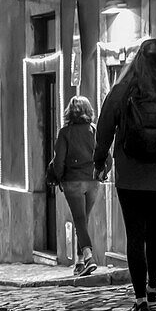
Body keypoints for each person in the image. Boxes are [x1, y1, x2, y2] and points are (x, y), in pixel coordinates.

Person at [94, 38, 156, 311]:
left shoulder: (121, 92)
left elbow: (103, 130)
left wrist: (100, 160)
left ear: (137, 61)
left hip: (129, 175)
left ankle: (139, 302)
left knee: (134, 235)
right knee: (154, 232)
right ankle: (152, 289)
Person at [50, 96, 105, 275]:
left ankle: (88, 256)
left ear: (69, 112)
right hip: (93, 181)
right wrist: (102, 174)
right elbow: (107, 157)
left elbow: (59, 162)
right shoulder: (95, 131)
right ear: (88, 111)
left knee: (80, 220)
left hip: (73, 181)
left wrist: (59, 178)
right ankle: (80, 262)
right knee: (83, 220)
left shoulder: (65, 133)